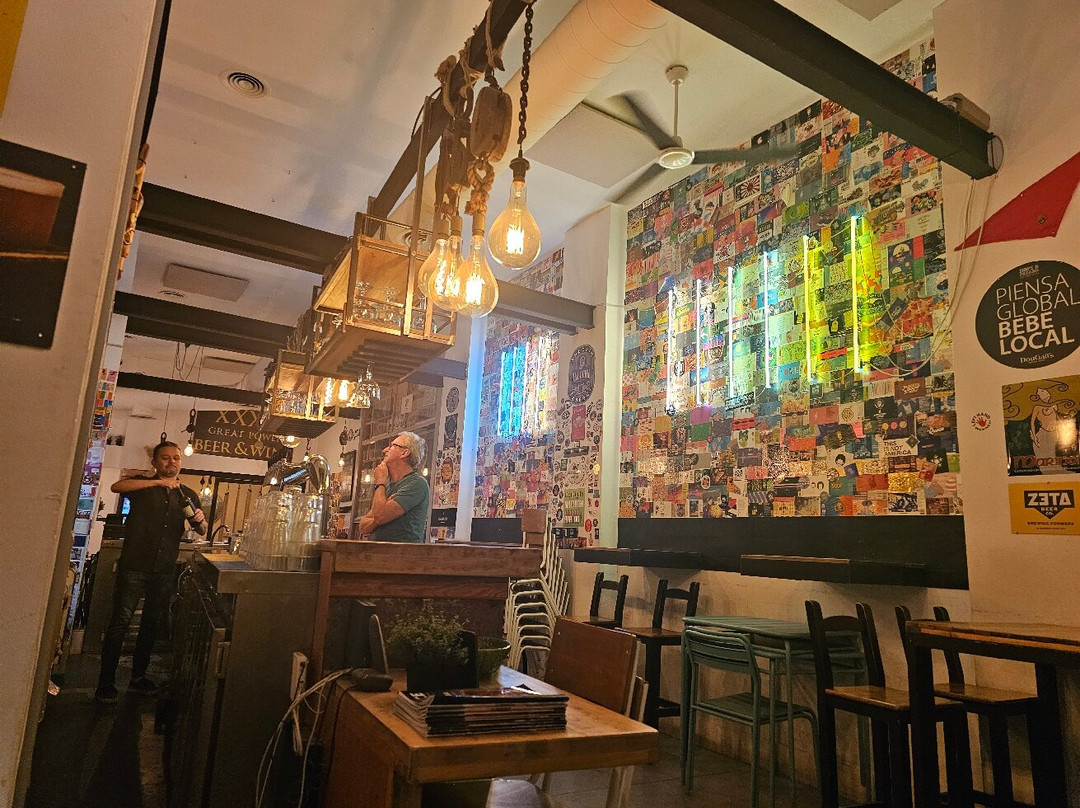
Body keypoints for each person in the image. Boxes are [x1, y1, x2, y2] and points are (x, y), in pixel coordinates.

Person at [95, 441, 206, 704]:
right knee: (120, 623)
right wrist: (158, 482)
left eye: (176, 458)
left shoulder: (187, 494)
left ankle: (138, 678)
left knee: (151, 625)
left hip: (164, 569)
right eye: (165, 458)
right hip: (134, 565)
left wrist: (200, 520)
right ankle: (105, 683)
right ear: (155, 462)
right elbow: (116, 486)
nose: (172, 462)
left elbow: (201, 531)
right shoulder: (143, 486)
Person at [358, 431, 430, 542]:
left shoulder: (417, 483)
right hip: (378, 551)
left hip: (400, 552)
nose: (385, 450)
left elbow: (379, 516)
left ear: (404, 453)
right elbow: (363, 527)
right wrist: (379, 517)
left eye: (392, 446)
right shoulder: (388, 487)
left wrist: (380, 482)